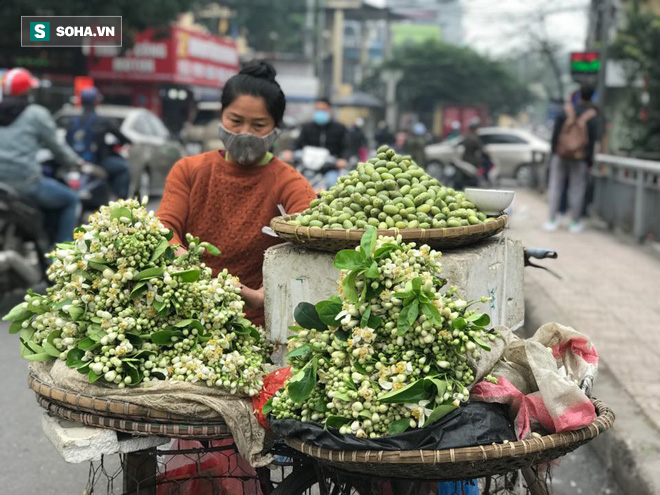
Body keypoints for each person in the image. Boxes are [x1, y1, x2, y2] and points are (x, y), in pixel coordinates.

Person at [157, 60, 316, 326]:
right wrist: (200, 274)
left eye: (258, 125)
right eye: (235, 120)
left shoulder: (289, 182)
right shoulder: (189, 170)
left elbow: (313, 238)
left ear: (276, 128)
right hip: (187, 315)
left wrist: (258, 296)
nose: (244, 133)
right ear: (222, 116)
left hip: (257, 324)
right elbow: (164, 231)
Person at [0, 68, 82, 243]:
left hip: (2, 186)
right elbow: (57, 148)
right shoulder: (36, 114)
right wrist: (74, 162)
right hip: (26, 184)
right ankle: (61, 257)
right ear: (28, 91)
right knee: (71, 199)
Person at [544, 86, 599, 233]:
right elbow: (592, 141)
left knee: (556, 186)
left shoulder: (566, 111)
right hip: (580, 158)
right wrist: (589, 161)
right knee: (577, 189)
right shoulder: (592, 115)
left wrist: (554, 152)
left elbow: (555, 134)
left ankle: (552, 220)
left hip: (560, 155)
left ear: (579, 95)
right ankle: (575, 223)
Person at [66, 87, 131, 199]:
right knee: (123, 168)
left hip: (74, 161)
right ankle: (119, 202)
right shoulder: (103, 121)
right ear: (97, 101)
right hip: (96, 162)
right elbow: (123, 138)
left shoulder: (72, 121)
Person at [294, 97, 350, 188]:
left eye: (323, 109)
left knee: (333, 184)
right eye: (317, 109)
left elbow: (346, 147)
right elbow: (297, 143)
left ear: (330, 110)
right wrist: (289, 151)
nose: (320, 112)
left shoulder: (340, 128)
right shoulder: (306, 127)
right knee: (294, 182)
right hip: (307, 167)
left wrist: (343, 159)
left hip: (329, 168)